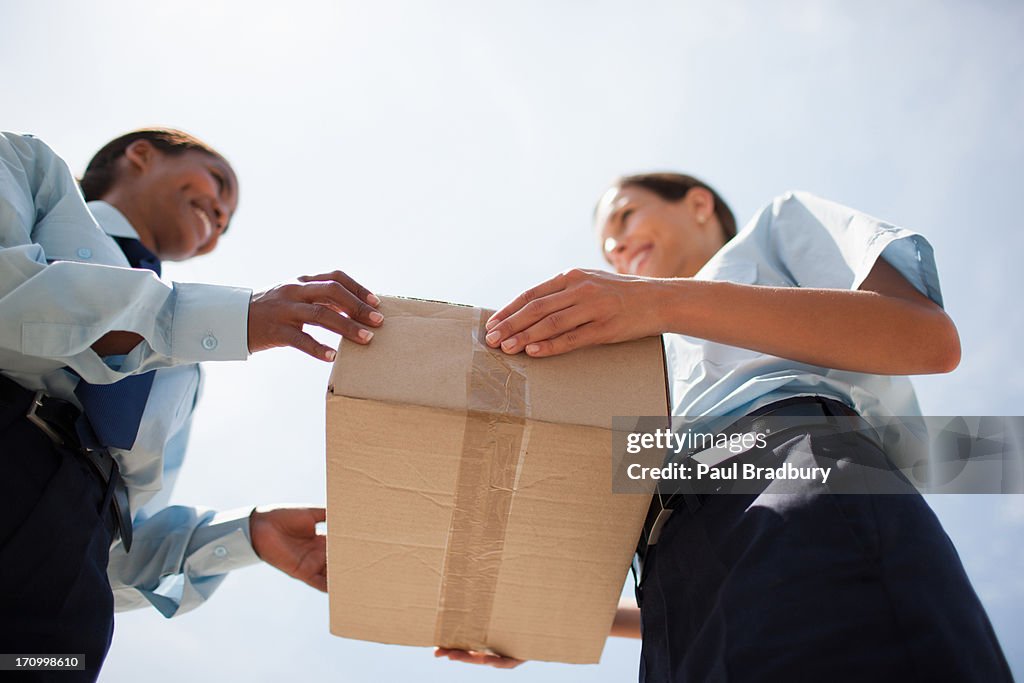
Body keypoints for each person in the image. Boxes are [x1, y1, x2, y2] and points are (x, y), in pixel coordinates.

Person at [445, 173, 1013, 681]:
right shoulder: (636, 350)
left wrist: (660, 301)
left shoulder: (776, 229)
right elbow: (712, 586)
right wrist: (539, 625)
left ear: (697, 204)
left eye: (625, 216)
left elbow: (928, 338)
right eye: (606, 246)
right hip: (671, 597)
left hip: (793, 471)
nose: (616, 245)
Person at [0, 129, 382, 682]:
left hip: (58, 614)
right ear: (142, 153)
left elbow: (116, 548)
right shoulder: (26, 166)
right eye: (218, 182)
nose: (221, 215)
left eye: (226, 222)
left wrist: (246, 536)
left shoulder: (183, 368)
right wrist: (215, 318)